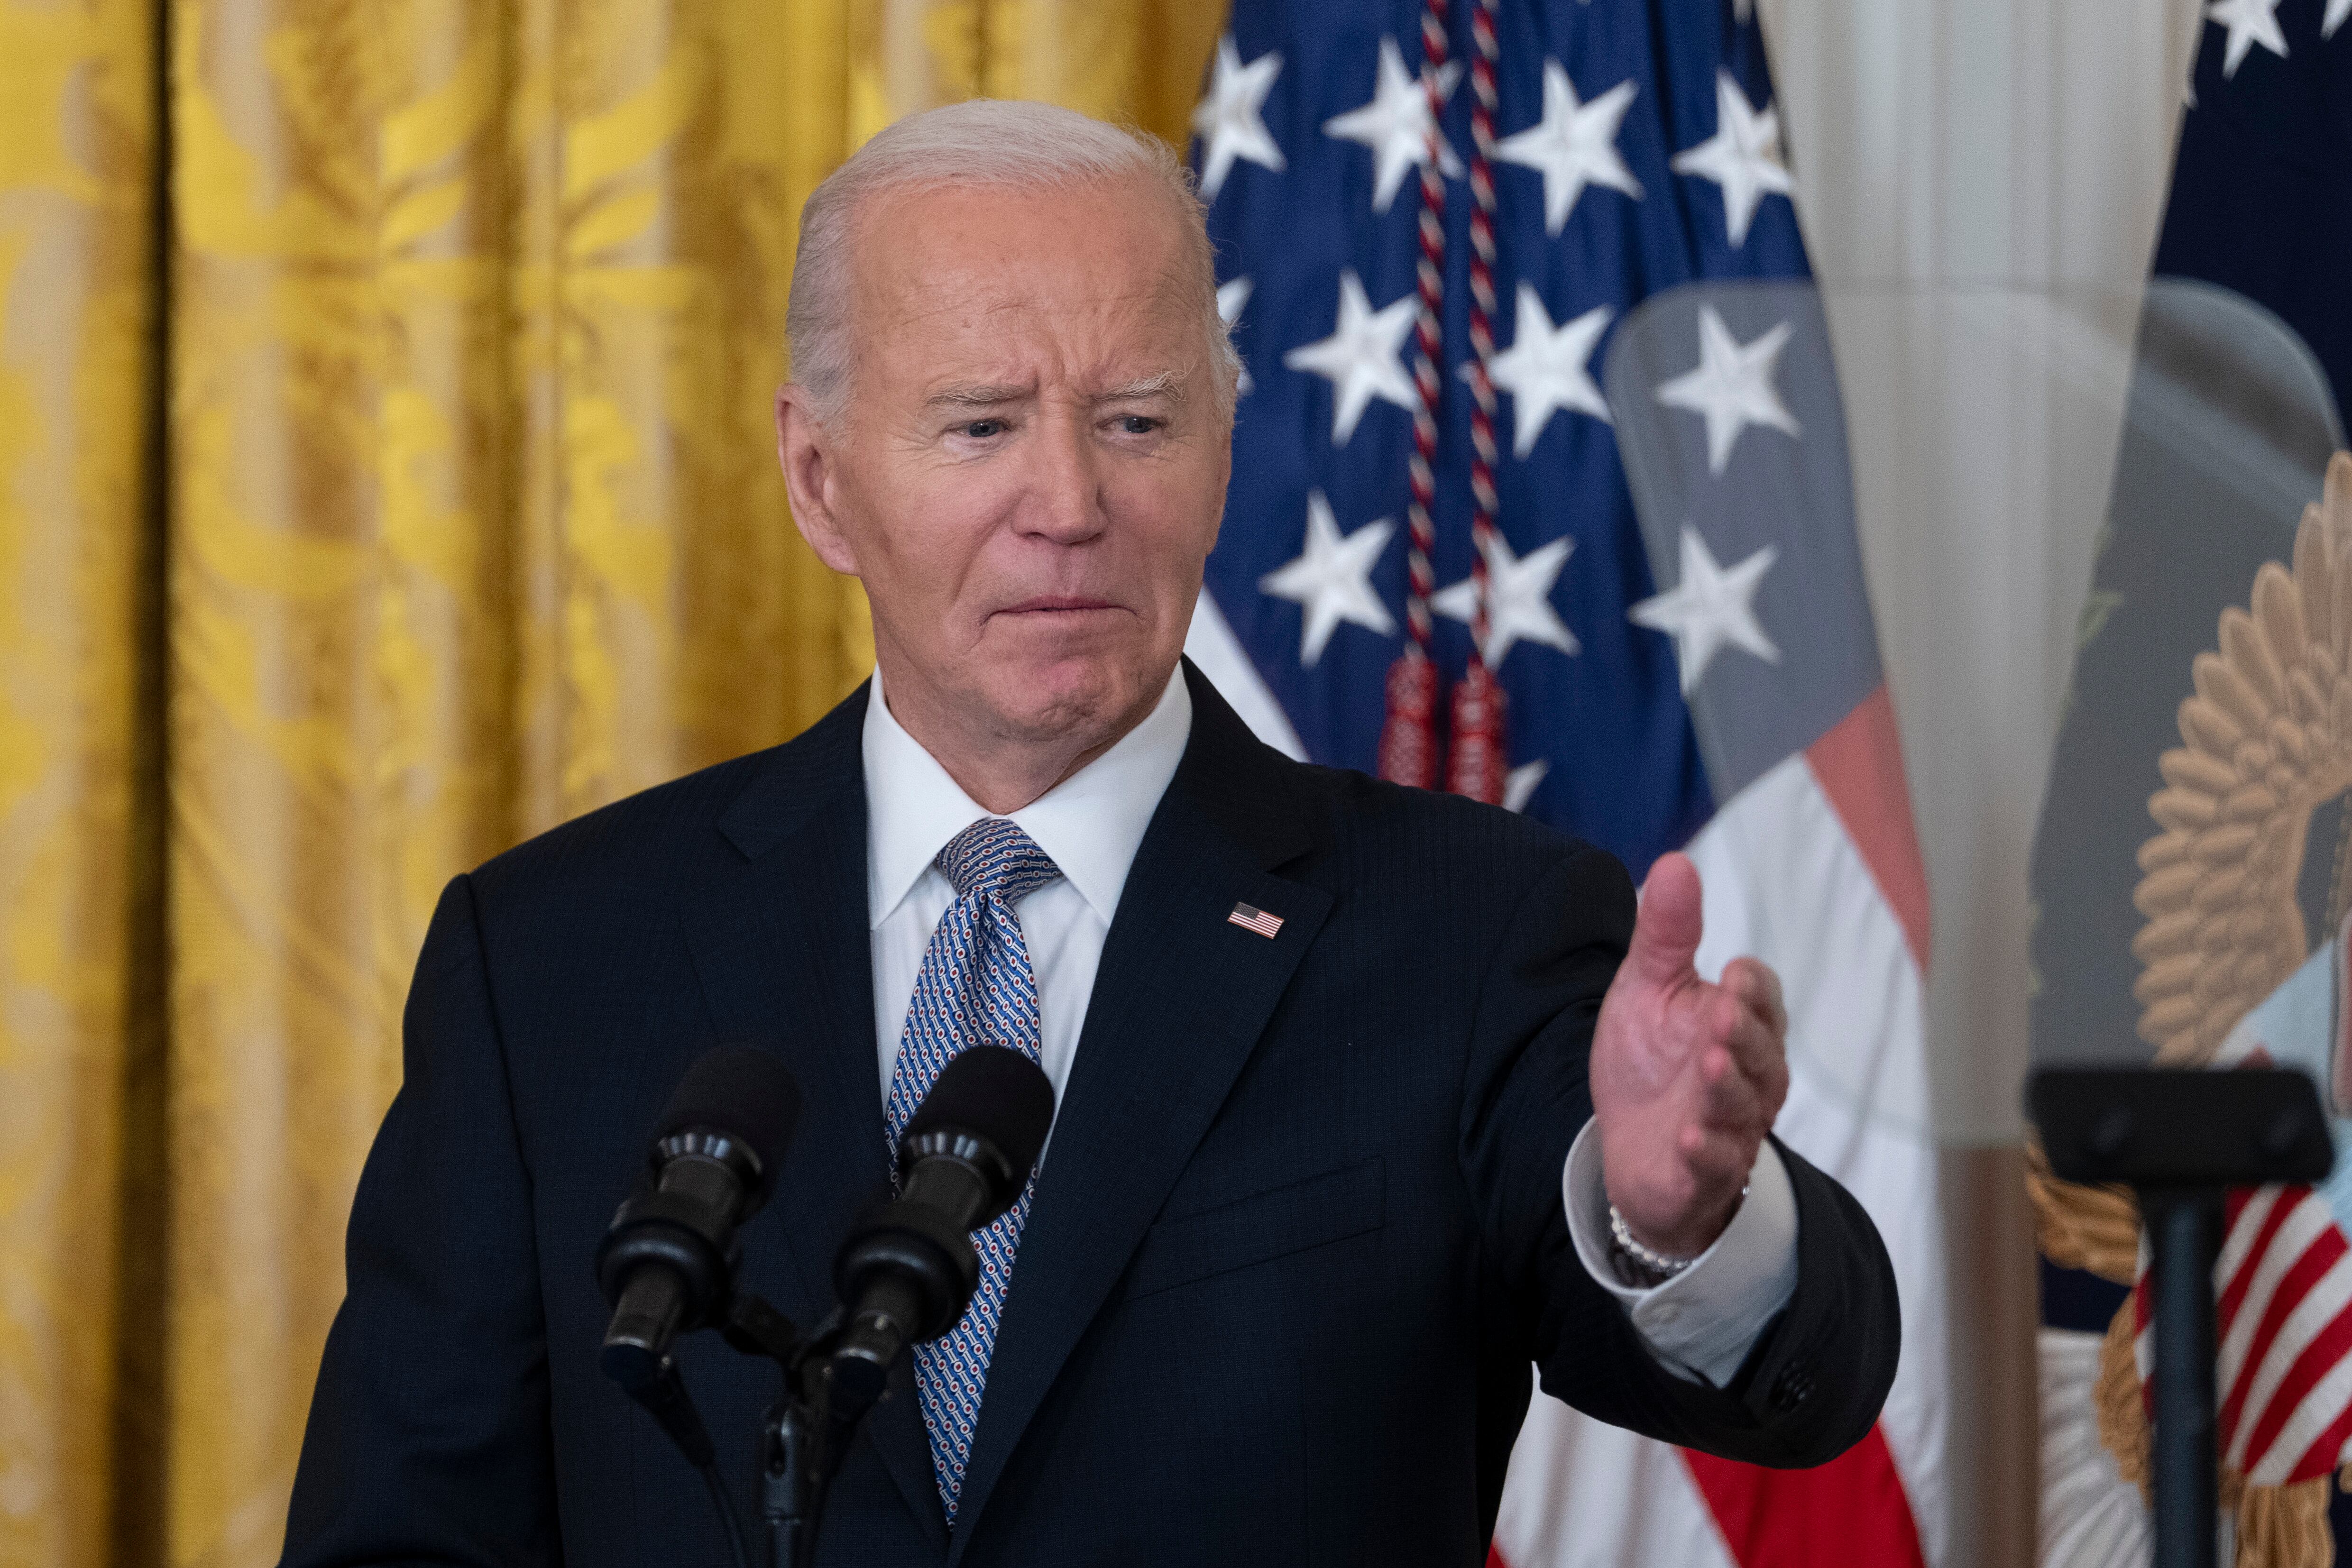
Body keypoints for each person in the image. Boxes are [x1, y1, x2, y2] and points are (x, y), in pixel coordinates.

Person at [280, 100, 1897, 1568]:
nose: (1068, 501)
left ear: (1221, 448)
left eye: (1135, 420)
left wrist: (1678, 1219)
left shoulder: (1471, 930)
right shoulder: (553, 962)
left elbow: (1798, 1387)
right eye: (980, 424)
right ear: (820, 477)